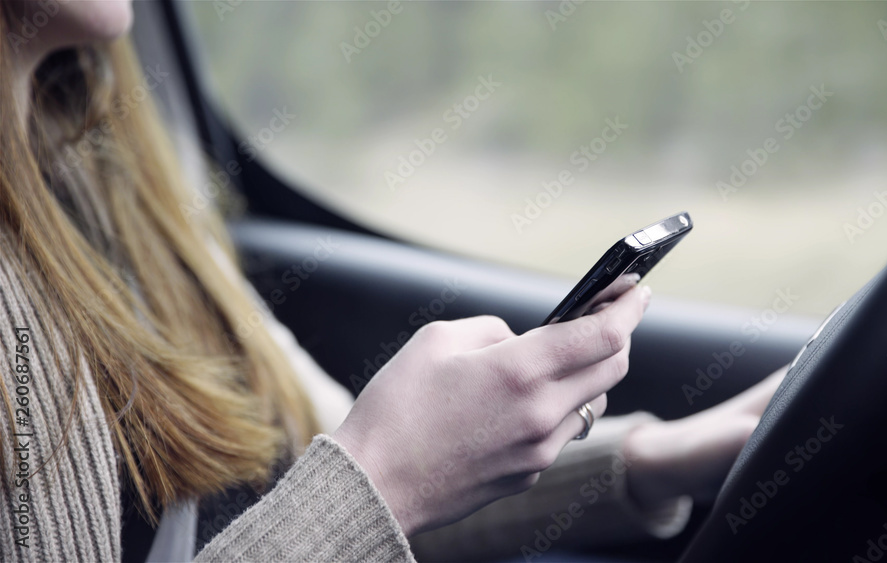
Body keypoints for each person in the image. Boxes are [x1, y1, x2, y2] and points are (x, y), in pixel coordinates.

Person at [0, 1, 783, 561]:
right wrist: (386, 476)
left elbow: (320, 463)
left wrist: (659, 457)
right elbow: (363, 484)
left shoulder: (110, 175)